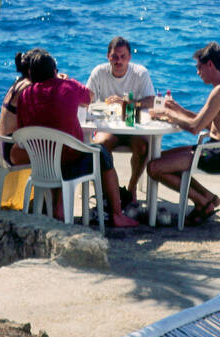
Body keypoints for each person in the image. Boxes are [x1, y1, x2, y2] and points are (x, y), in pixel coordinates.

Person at [8, 48, 140, 229]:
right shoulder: (67, 86)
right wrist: (65, 80)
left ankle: (58, 208)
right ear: (54, 71)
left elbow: (22, 130)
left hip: (41, 163)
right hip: (70, 160)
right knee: (102, 154)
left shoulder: (25, 96)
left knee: (54, 151)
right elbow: (90, 97)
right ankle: (117, 214)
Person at [147, 42, 220, 226]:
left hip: (218, 156)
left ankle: (203, 203)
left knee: (154, 167)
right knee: (160, 158)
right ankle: (208, 197)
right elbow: (207, 124)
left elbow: (195, 128)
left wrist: (168, 114)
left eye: (199, 67)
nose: (197, 72)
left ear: (210, 64)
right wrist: (178, 110)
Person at [88, 36, 155, 207]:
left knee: (143, 148)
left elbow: (151, 101)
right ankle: (112, 190)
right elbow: (87, 99)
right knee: (100, 146)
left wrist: (129, 103)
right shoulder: (99, 72)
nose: (118, 61)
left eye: (123, 56)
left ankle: (131, 188)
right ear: (108, 57)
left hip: (133, 125)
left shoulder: (140, 73)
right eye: (114, 57)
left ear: (129, 57)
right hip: (108, 127)